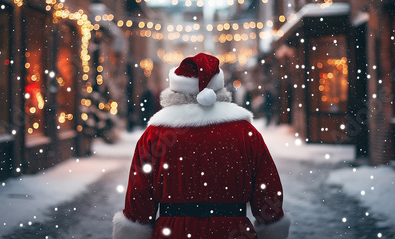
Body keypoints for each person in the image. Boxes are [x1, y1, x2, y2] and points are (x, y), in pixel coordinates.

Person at [113, 53, 291, 239]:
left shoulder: (155, 135)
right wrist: (271, 225)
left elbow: (139, 199)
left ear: (176, 90)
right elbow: (267, 192)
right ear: (218, 88)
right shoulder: (246, 133)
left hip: (173, 232)